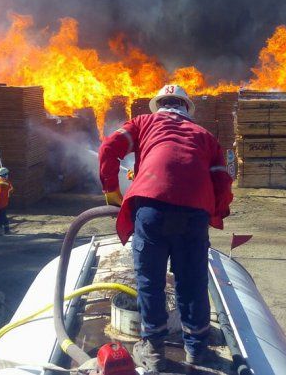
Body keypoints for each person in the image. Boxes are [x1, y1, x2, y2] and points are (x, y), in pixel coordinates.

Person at [98, 84, 233, 371]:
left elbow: (109, 148)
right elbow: (222, 180)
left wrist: (111, 189)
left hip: (151, 208)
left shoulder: (144, 123)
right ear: (186, 108)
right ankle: (196, 351)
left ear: (159, 105)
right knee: (193, 281)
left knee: (151, 281)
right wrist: (216, 213)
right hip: (194, 212)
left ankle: (154, 352)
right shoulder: (206, 137)